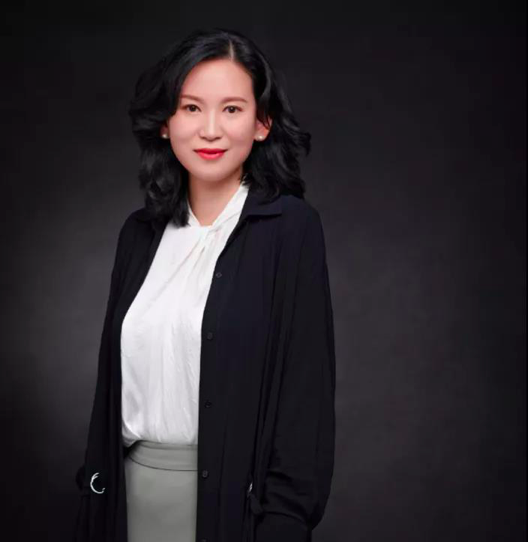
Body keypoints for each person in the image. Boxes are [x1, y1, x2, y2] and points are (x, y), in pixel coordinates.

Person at [73, 27, 336, 542]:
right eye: (191, 108)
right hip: (125, 503)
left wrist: (284, 523)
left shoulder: (291, 230)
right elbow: (110, 393)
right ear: (166, 122)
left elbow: (305, 401)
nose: (210, 130)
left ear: (262, 123)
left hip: (232, 510)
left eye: (232, 109)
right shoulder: (139, 234)